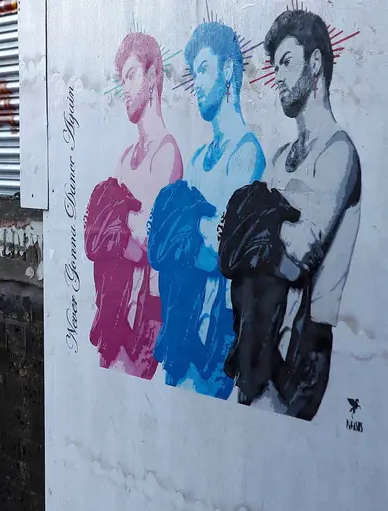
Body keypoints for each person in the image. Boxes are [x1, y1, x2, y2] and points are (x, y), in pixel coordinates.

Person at [225, 9, 361, 419]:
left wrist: (257, 224)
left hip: (299, 352)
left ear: (315, 63)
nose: (277, 77)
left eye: (286, 62)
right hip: (256, 341)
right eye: (273, 66)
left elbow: (301, 251)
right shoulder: (280, 158)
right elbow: (243, 244)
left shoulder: (339, 151)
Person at [148, 22, 265, 398]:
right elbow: (166, 239)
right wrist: (188, 231)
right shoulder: (198, 159)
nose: (195, 83)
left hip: (217, 337)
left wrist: (184, 230)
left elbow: (219, 250)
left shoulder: (246, 153)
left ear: (228, 71)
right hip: (183, 329)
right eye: (193, 72)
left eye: (203, 69)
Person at [85, 32, 182, 379]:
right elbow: (95, 229)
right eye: (120, 79)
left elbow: (141, 241)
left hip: (143, 316)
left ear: (153, 75)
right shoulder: (125, 157)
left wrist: (114, 225)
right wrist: (115, 227)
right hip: (113, 309)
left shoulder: (166, 153)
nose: (123, 89)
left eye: (130, 76)